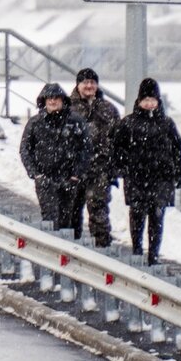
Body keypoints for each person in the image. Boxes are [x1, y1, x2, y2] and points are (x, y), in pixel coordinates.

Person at [112, 77, 181, 265]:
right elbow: (117, 148)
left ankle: (153, 254)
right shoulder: (128, 123)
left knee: (157, 215)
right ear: (139, 101)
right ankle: (137, 250)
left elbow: (177, 149)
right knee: (137, 214)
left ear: (158, 101)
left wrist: (180, 172)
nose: (149, 103)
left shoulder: (167, 123)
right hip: (136, 177)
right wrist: (122, 167)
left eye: (152, 99)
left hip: (161, 178)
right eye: (146, 100)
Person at [18, 83, 94, 237]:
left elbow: (86, 149)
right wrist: (36, 174)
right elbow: (25, 150)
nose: (52, 101)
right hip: (45, 179)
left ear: (63, 100)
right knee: (50, 220)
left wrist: (76, 174)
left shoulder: (75, 121)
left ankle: (66, 249)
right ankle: (52, 248)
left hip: (69, 179)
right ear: (44, 101)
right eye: (49, 98)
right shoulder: (35, 123)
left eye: (56, 98)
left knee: (69, 220)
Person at [67, 67, 120, 248]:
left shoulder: (108, 109)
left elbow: (117, 140)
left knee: (99, 213)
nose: (89, 86)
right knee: (71, 213)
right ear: (78, 85)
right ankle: (70, 250)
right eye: (85, 82)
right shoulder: (68, 108)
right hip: (74, 170)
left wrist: (114, 167)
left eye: (92, 82)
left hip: (100, 170)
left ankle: (102, 252)